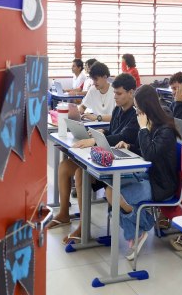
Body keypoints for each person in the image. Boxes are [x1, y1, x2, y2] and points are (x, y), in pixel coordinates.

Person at [49, 74, 139, 242]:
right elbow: (113, 131)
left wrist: (95, 140)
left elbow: (124, 136)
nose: (115, 97)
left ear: (131, 92)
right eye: (114, 93)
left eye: (119, 93)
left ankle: (84, 227)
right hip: (107, 157)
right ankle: (63, 213)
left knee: (80, 173)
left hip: (119, 165)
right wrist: (101, 132)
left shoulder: (136, 114)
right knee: (64, 167)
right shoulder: (118, 109)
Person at [104, 85, 180, 261]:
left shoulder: (165, 129)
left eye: (138, 107)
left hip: (161, 184)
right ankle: (142, 227)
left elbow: (150, 154)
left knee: (117, 196)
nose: (136, 111)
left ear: (147, 107)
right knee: (110, 189)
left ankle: (139, 230)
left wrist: (143, 128)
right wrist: (129, 146)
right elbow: (146, 151)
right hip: (149, 176)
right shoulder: (152, 124)